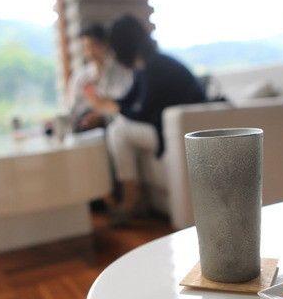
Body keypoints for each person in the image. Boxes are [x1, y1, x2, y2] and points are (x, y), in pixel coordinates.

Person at [85, 15, 206, 226]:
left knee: (118, 130)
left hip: (180, 131)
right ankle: (133, 197)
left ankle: (131, 198)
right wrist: (105, 105)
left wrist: (113, 107)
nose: (112, 52)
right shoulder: (146, 66)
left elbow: (143, 112)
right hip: (166, 128)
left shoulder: (154, 67)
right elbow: (128, 100)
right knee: (118, 127)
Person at [67, 23, 132, 132]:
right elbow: (73, 109)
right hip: (86, 129)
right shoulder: (80, 77)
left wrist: (103, 117)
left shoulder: (122, 72)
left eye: (94, 45)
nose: (90, 52)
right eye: (85, 47)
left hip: (116, 127)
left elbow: (125, 105)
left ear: (105, 44)